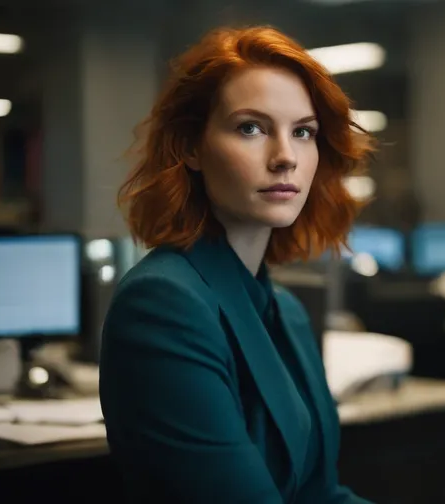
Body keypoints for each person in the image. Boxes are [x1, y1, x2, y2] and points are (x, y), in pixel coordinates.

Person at [98, 26, 375, 503]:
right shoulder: (163, 304)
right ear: (189, 146)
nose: (285, 157)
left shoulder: (286, 308)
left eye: (303, 132)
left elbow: (320, 494)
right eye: (251, 127)